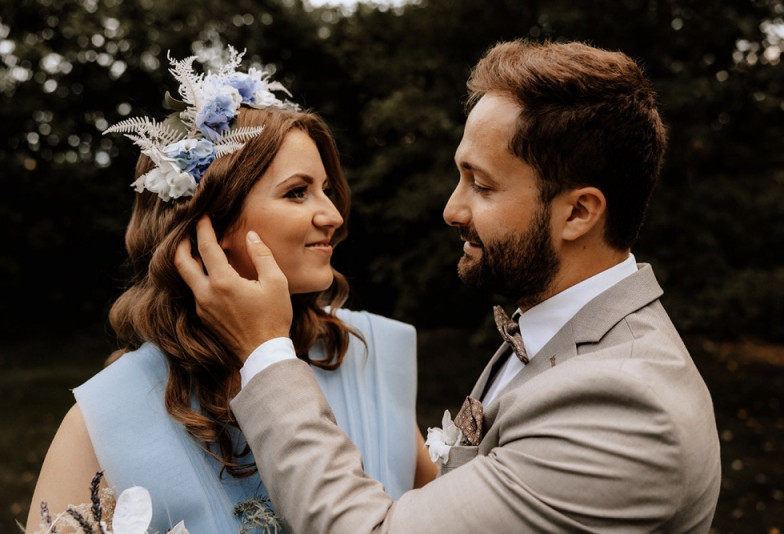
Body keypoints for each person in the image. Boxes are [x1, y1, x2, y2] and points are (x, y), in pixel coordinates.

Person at [176, 39, 722, 532]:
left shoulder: (625, 407)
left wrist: (266, 353)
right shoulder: (553, 329)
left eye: (481, 185)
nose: (451, 208)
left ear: (578, 212)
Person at [26, 49, 436, 533]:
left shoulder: (368, 357)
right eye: (297, 192)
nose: (333, 215)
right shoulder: (111, 417)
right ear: (209, 223)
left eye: (326, 189)